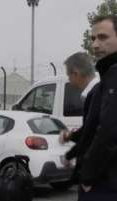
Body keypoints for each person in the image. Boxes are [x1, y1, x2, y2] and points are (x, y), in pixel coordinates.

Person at [78, 15, 117, 200]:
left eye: (103, 37)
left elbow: (109, 131)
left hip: (106, 185)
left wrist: (87, 175)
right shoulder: (105, 79)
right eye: (93, 38)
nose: (95, 45)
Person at [59, 52, 99, 183]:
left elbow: (91, 135)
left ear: (76, 74)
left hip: (95, 174)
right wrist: (71, 136)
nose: (69, 81)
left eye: (69, 76)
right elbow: (91, 127)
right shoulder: (101, 89)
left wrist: (69, 155)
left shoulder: (95, 95)